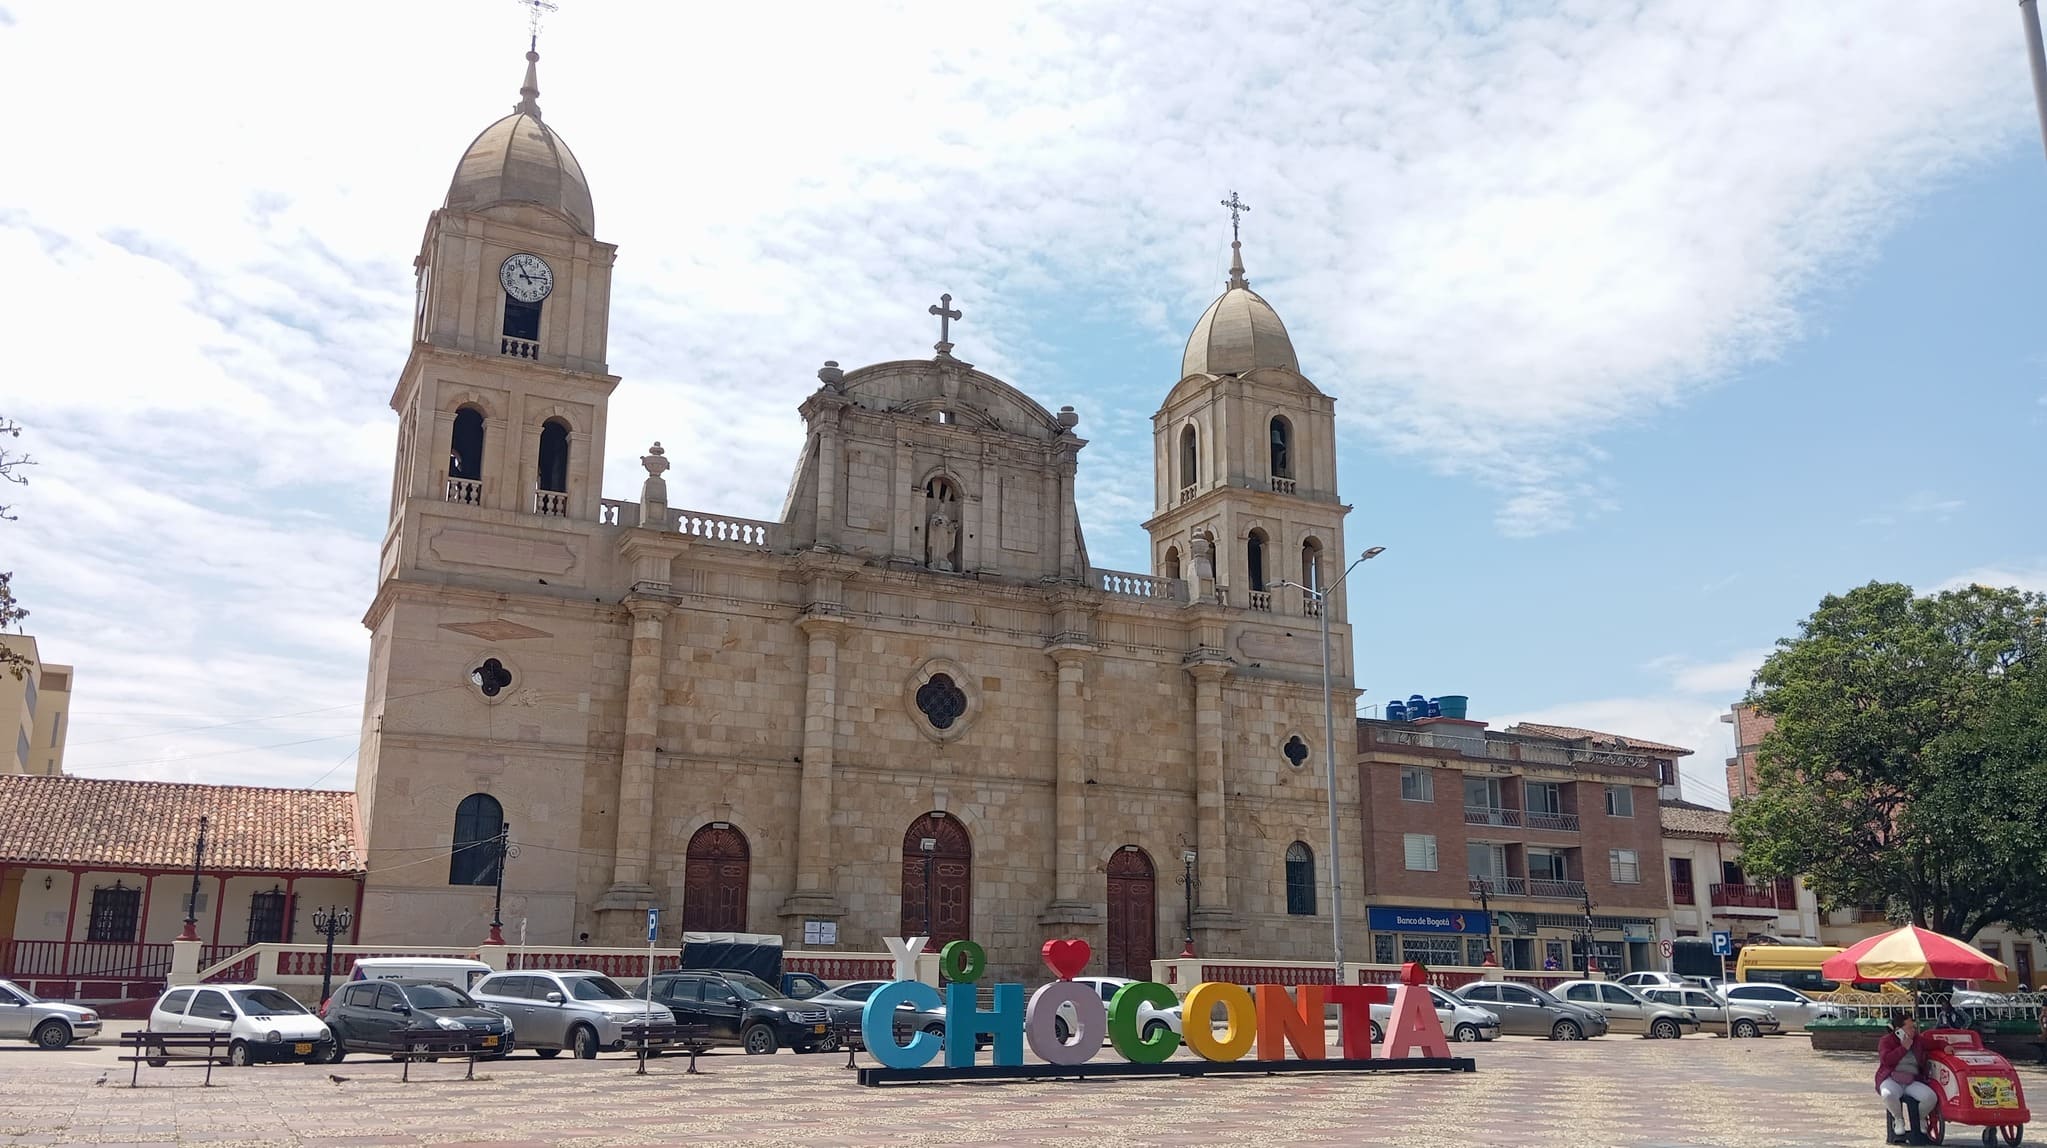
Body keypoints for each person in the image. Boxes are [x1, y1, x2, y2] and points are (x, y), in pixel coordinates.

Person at [1876, 1012, 1940, 1145]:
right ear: (1899, 1030)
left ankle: (1920, 1118)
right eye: (1910, 1027)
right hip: (1892, 1079)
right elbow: (1886, 1060)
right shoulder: (1886, 1041)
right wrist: (1903, 1048)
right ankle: (1898, 1119)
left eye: (1913, 1027)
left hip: (1912, 1080)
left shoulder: (1917, 1039)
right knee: (1888, 1094)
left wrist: (1946, 1046)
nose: (1913, 1030)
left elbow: (1934, 1044)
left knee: (1930, 1097)